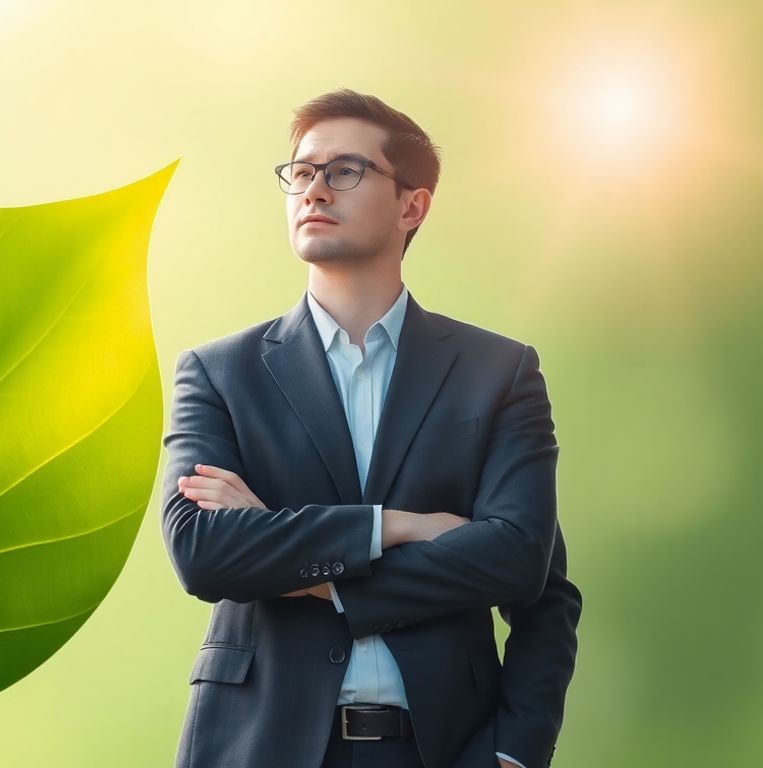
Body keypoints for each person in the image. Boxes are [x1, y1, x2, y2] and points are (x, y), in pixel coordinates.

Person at [159, 88, 581, 768]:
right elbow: (203, 552)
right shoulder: (219, 373)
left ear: (412, 205)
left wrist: (514, 753)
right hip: (257, 745)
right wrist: (399, 526)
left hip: (443, 748)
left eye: (345, 170)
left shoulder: (498, 373)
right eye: (302, 172)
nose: (314, 189)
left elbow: (523, 566)